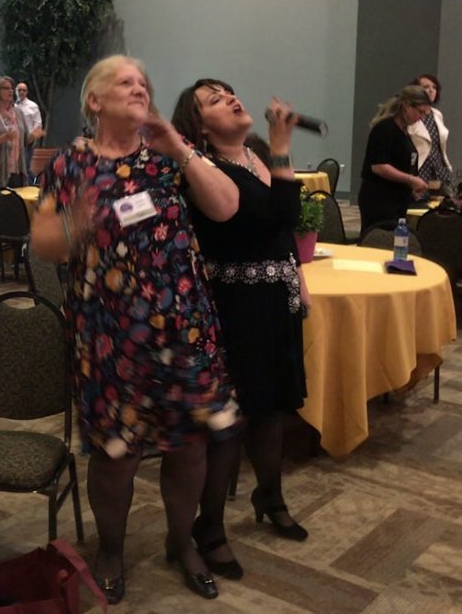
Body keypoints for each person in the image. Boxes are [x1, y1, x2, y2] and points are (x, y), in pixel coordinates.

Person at [31, 55, 242, 604]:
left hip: (182, 324)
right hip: (108, 329)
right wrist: (82, 217)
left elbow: (224, 207)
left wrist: (179, 144)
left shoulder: (168, 159)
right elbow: (45, 245)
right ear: (94, 102)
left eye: (144, 82)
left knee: (190, 445)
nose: (138, 88)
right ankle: (111, 549)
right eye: (124, 82)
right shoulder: (68, 164)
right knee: (116, 452)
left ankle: (181, 541)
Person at [171, 79, 311, 581]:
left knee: (272, 408)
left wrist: (296, 276)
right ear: (199, 126)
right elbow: (269, 212)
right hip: (235, 303)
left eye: (229, 91)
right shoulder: (203, 170)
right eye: (214, 99)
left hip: (274, 297)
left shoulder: (254, 156)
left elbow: (285, 223)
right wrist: (282, 146)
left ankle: (268, 495)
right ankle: (208, 528)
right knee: (229, 422)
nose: (231, 98)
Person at [357, 86, 431, 237]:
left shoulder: (404, 132)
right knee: (378, 241)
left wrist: (411, 187)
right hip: (379, 199)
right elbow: (379, 166)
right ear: (406, 107)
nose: (422, 117)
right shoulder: (384, 129)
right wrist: (411, 179)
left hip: (397, 199)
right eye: (420, 112)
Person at [407, 73, 453, 193]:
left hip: (439, 169)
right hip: (420, 169)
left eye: (434, 87)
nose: (431, 90)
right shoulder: (411, 114)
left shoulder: (437, 114)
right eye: (426, 87)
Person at [15, 81, 46, 177]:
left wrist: (31, 138)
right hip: (15, 141)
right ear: (16, 91)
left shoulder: (32, 106)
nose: (21, 92)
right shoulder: (12, 106)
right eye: (19, 90)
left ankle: (34, 186)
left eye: (24, 90)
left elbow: (38, 124)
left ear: (27, 92)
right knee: (16, 168)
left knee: (25, 167)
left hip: (27, 140)